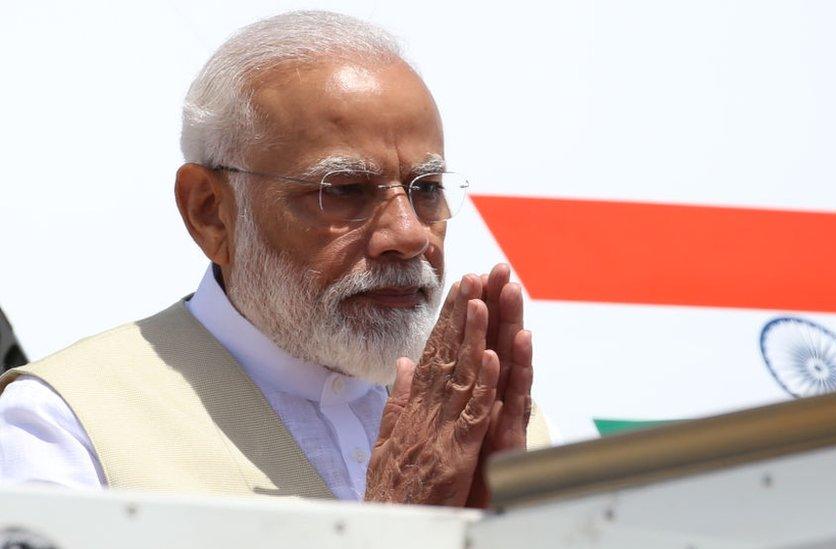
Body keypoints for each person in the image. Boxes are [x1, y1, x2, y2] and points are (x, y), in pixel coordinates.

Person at [0, 10, 548, 507]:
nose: (407, 234)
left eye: (426, 187)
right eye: (345, 190)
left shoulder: (493, 421)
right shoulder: (66, 426)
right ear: (211, 211)